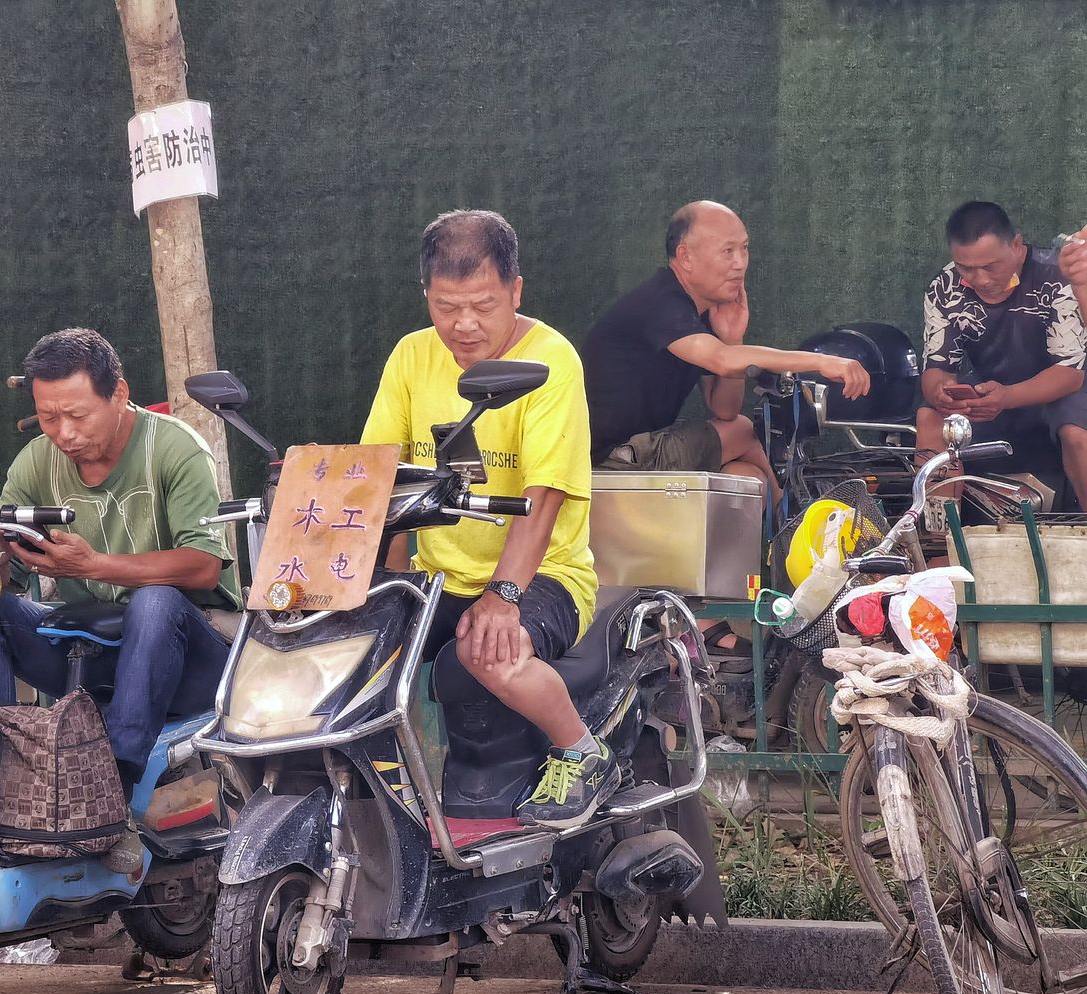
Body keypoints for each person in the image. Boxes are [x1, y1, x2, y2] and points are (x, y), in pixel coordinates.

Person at [0, 328, 240, 864]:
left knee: (156, 601)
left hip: (193, 660)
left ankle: (113, 798)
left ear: (119, 394)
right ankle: (4, 786)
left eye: (78, 416)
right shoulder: (36, 461)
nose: (64, 432)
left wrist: (96, 566)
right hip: (93, 653)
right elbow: (1, 561)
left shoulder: (173, 448)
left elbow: (202, 565)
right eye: (49, 417)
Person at [361, 209, 609, 829]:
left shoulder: (552, 362)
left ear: (516, 291)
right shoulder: (411, 357)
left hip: (545, 574)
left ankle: (582, 751)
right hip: (440, 574)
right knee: (343, 647)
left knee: (487, 649)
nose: (464, 325)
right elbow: (376, 473)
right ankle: (382, 789)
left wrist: (503, 595)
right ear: (427, 297)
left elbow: (546, 497)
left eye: (483, 305)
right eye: (446, 307)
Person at [581, 200, 871, 502]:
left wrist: (733, 338)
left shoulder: (699, 315)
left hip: (643, 451)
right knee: (743, 430)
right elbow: (721, 362)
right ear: (686, 257)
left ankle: (783, 534)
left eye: (744, 249)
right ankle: (795, 529)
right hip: (610, 461)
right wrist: (822, 363)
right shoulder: (661, 303)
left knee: (747, 478)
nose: (740, 263)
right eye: (727, 251)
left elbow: (724, 409)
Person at [918, 202, 1087, 507]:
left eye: (990, 266)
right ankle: (939, 542)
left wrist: (1007, 396)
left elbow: (1070, 375)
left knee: (1076, 433)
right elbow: (937, 368)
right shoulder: (944, 286)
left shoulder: (1057, 276)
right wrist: (941, 393)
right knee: (930, 418)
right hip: (990, 394)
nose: (979, 279)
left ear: (1017, 246)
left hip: (1058, 395)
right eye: (966, 267)